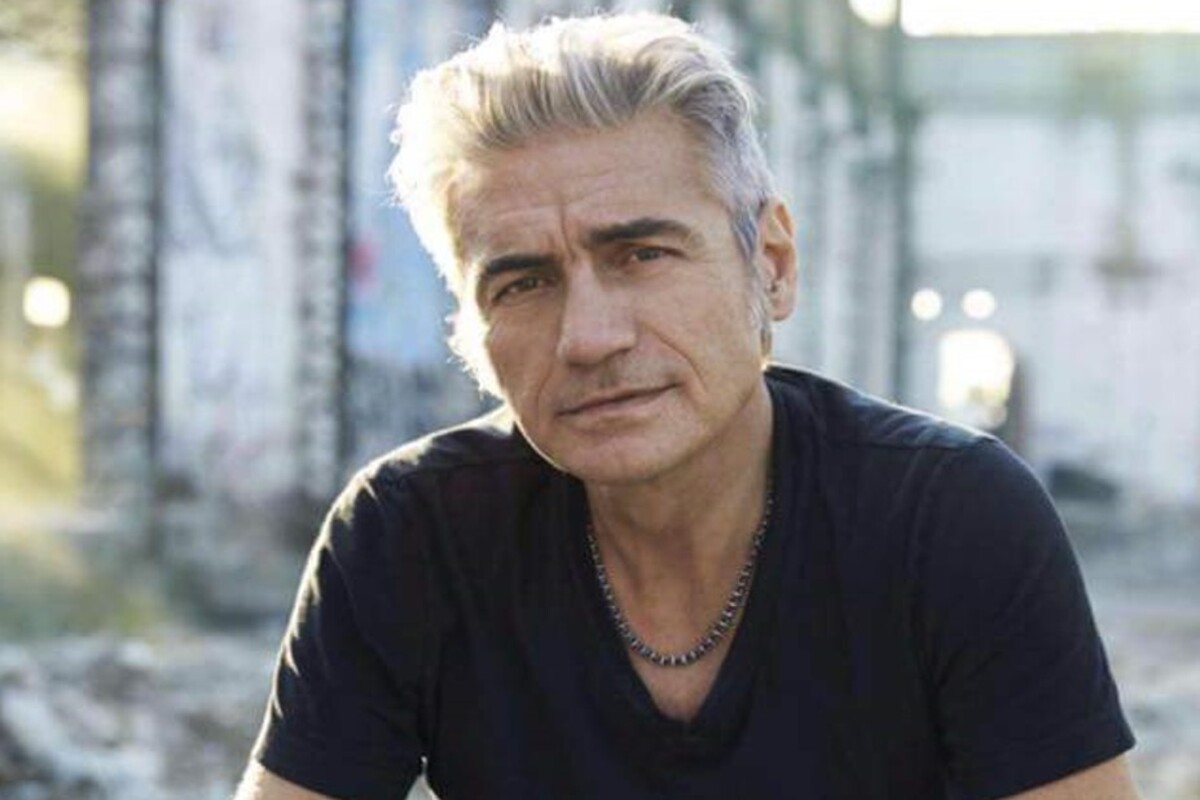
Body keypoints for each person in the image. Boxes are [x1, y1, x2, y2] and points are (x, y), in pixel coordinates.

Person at [235, 12, 1139, 800]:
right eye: (524, 283)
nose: (590, 337)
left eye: (642, 256)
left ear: (770, 265)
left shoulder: (949, 518)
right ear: (471, 332)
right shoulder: (412, 532)